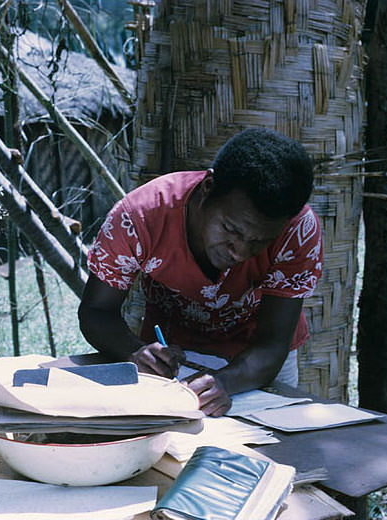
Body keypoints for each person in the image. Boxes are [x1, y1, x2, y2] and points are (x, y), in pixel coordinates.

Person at [78, 128, 322, 417]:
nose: (239, 252)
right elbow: (96, 310)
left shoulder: (298, 229)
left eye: (260, 241)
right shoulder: (139, 217)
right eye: (230, 229)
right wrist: (134, 351)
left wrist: (225, 382)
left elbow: (272, 344)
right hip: (175, 355)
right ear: (207, 187)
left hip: (258, 365)